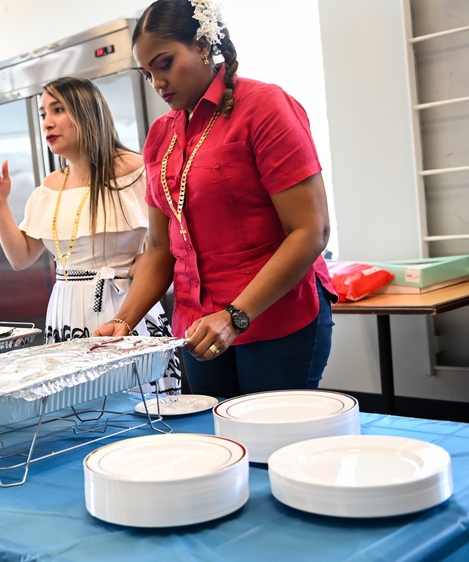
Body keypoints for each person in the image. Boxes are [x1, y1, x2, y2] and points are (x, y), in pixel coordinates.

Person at [94, 0, 337, 398]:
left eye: (165, 63)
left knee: (272, 445)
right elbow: (159, 247)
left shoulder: (264, 106)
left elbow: (311, 230)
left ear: (203, 46)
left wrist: (235, 316)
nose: (157, 83)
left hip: (277, 317)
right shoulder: (161, 134)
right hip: (197, 326)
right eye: (147, 73)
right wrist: (124, 321)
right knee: (216, 444)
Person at [0, 76, 182, 392]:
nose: (47, 123)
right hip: (66, 310)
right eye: (43, 113)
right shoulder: (49, 187)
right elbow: (20, 258)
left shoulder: (139, 170)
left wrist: (148, 256)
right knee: (78, 411)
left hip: (126, 305)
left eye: (57, 110)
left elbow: (171, 240)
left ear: (87, 111)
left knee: (142, 404)